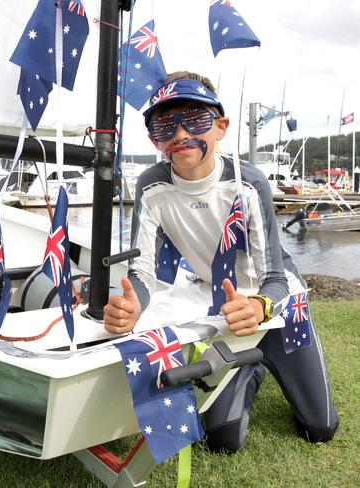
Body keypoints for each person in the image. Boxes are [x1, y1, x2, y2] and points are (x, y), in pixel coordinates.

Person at [103, 71, 339, 452]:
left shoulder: (249, 182)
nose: (180, 134)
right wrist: (134, 305)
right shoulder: (150, 185)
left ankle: (264, 359)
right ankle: (252, 366)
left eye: (195, 119)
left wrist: (260, 306)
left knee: (320, 428)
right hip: (223, 309)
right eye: (165, 124)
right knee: (222, 440)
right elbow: (142, 272)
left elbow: (276, 277)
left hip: (276, 305)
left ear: (221, 126)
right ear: (153, 138)